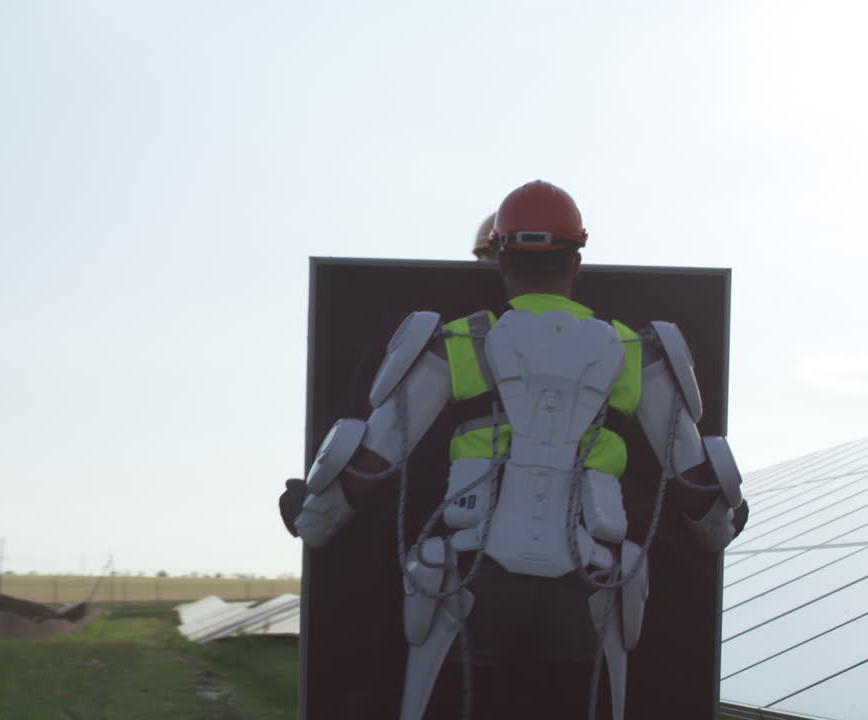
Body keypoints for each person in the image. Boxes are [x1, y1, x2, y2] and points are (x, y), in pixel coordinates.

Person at [284, 180, 747, 720]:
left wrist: (312, 517)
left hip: (474, 578)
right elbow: (693, 482)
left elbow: (375, 456)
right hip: (590, 583)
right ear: (577, 259)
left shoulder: (465, 340)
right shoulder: (630, 350)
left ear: (500, 259)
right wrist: (722, 519)